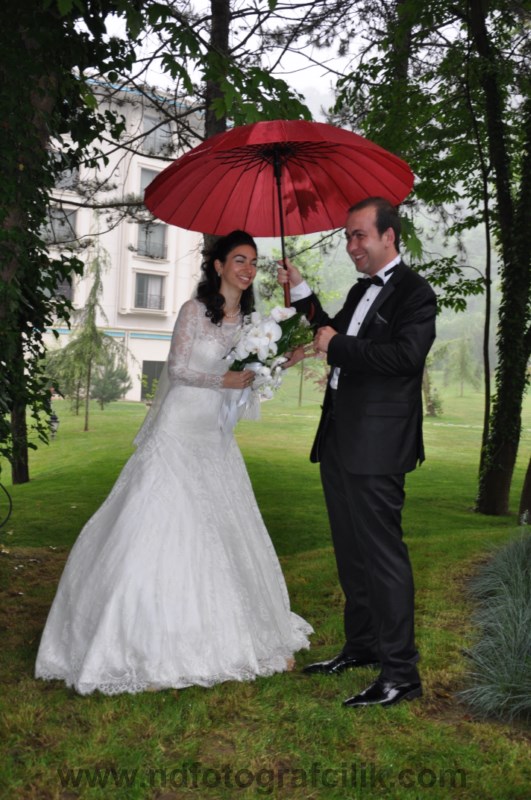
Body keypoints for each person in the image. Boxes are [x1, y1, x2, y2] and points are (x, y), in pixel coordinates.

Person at [36, 230, 312, 695]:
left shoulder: (253, 322)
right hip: (178, 428)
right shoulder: (193, 311)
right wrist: (223, 380)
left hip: (214, 437)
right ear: (218, 266)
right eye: (239, 260)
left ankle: (231, 631)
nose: (247, 269)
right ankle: (131, 638)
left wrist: (287, 360)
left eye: (253, 262)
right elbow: (178, 370)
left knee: (220, 530)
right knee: (154, 522)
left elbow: (254, 371)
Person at [277, 197, 436, 708]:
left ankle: (401, 674)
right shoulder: (358, 290)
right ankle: (363, 646)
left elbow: (405, 357)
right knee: (351, 553)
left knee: (384, 558)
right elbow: (329, 330)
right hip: (339, 440)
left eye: (359, 235)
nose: (351, 245)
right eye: (347, 236)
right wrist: (301, 290)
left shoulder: (415, 293)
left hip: (378, 446)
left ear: (389, 236)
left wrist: (337, 345)